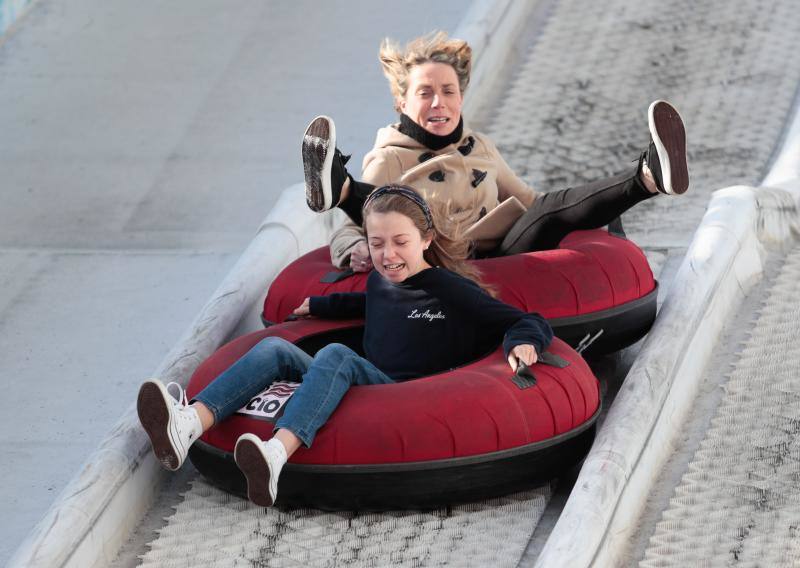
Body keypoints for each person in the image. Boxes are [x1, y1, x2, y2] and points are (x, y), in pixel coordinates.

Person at [137, 185, 553, 507]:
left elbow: (524, 319)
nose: (387, 254)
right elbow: (368, 302)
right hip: (361, 381)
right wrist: (319, 304)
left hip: (401, 393)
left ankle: (276, 455)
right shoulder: (380, 278)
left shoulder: (449, 289)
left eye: (400, 242)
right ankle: (189, 424)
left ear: (426, 239)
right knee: (275, 350)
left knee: (336, 356)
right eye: (377, 243)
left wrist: (523, 342)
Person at [301, 31, 689, 272]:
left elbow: (533, 204)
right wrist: (355, 250)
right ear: (401, 103)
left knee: (548, 210)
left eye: (448, 92)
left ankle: (648, 176)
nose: (439, 103)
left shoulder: (479, 146)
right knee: (391, 206)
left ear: (461, 98)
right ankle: (344, 190)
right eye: (425, 93)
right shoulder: (390, 158)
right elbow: (349, 234)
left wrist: (591, 214)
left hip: (503, 258)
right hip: (441, 264)